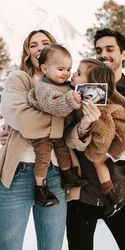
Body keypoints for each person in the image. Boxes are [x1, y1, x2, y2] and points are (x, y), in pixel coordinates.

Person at [0, 29, 100, 250]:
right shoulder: (19, 79)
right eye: (33, 44)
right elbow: (22, 119)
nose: (39, 47)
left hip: (56, 174)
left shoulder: (67, 87)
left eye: (45, 42)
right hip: (18, 174)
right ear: (27, 52)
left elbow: (72, 140)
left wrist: (84, 125)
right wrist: (62, 115)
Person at [66, 28, 125, 250]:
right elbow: (61, 135)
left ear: (124, 54)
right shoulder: (75, 94)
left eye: (110, 49)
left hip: (123, 192)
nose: (103, 54)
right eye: (98, 50)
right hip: (83, 194)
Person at [70, 58, 125, 222]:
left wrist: (96, 150)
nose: (73, 74)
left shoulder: (94, 103)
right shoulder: (110, 93)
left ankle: (111, 196)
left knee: (97, 160)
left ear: (92, 84)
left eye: (79, 73)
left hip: (124, 139)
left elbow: (105, 131)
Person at [27, 43, 87, 207]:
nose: (66, 73)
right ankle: (40, 188)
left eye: (68, 69)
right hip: (42, 133)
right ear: (45, 69)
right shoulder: (43, 87)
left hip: (57, 131)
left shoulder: (65, 85)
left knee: (63, 150)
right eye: (61, 69)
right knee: (44, 156)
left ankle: (68, 176)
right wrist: (71, 99)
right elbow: (53, 107)